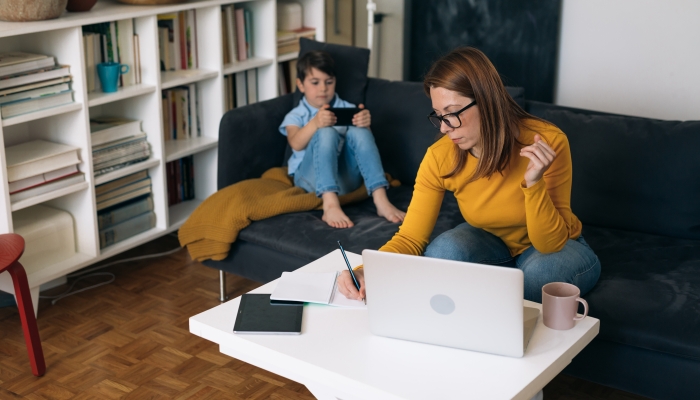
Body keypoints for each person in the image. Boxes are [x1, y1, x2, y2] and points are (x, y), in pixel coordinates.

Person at [337, 47, 601, 303]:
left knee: (537, 276)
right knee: (442, 253)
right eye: (439, 116)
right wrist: (366, 271)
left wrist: (533, 184)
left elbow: (549, 243)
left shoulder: (547, 142)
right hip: (491, 243)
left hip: (557, 246)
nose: (443, 128)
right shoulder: (440, 156)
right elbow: (411, 237)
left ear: (487, 101)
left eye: (451, 113)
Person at [279, 50, 405, 228]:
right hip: (310, 180)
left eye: (328, 82)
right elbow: (296, 143)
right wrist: (315, 123)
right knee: (326, 132)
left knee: (359, 131)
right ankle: (330, 204)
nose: (323, 88)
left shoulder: (347, 108)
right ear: (300, 85)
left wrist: (365, 124)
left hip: (346, 180)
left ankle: (380, 198)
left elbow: (363, 147)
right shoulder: (296, 115)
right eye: (315, 82)